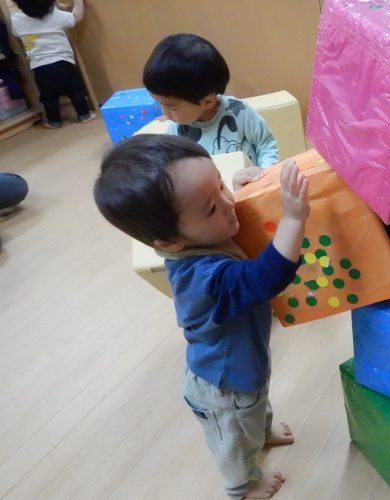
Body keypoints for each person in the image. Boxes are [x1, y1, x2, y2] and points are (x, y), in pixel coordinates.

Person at [93, 134, 309, 498]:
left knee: (256, 403)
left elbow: (219, 209)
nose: (228, 203)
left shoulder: (198, 236)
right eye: (211, 207)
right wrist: (293, 218)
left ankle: (261, 432)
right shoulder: (204, 279)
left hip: (243, 364)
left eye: (221, 185)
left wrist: (238, 187)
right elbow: (265, 278)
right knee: (235, 437)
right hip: (223, 386)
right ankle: (243, 485)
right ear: (169, 241)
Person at [143, 33, 278, 190]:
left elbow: (266, 144)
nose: (165, 113)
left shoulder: (239, 112)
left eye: (171, 107)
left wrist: (264, 174)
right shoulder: (177, 129)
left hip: (248, 188)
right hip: (212, 196)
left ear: (207, 102)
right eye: (161, 105)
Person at [10, 0, 97, 128]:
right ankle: (84, 115)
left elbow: (16, 32)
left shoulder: (16, 20)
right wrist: (78, 2)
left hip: (40, 67)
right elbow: (76, 17)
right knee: (75, 91)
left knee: (48, 97)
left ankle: (54, 121)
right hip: (63, 62)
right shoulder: (56, 15)